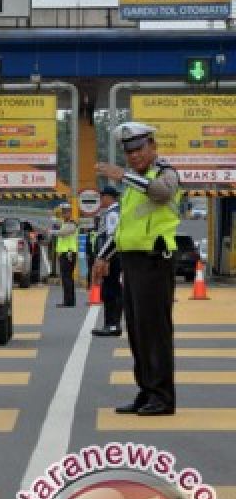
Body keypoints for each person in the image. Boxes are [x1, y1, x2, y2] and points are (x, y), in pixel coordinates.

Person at [93, 122, 181, 416]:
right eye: (128, 152)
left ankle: (163, 397)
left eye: (139, 149)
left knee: (155, 332)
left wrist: (124, 176)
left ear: (153, 147)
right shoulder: (131, 185)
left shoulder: (165, 173)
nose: (134, 156)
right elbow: (124, 229)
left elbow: (162, 194)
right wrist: (103, 257)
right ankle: (146, 391)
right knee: (137, 331)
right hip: (132, 264)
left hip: (155, 261)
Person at [91, 186, 123, 337]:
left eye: (102, 196)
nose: (101, 200)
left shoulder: (112, 214)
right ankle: (111, 324)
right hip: (111, 257)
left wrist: (103, 258)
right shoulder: (113, 212)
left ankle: (112, 325)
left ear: (108, 197)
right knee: (112, 290)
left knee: (110, 291)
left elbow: (112, 238)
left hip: (111, 258)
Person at [52, 202, 78, 307]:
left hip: (68, 253)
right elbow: (55, 218)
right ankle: (69, 301)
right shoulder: (65, 223)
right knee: (66, 278)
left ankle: (68, 302)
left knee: (67, 278)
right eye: (62, 213)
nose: (63, 214)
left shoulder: (71, 224)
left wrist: (52, 231)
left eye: (65, 212)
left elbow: (63, 232)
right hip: (65, 253)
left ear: (69, 213)